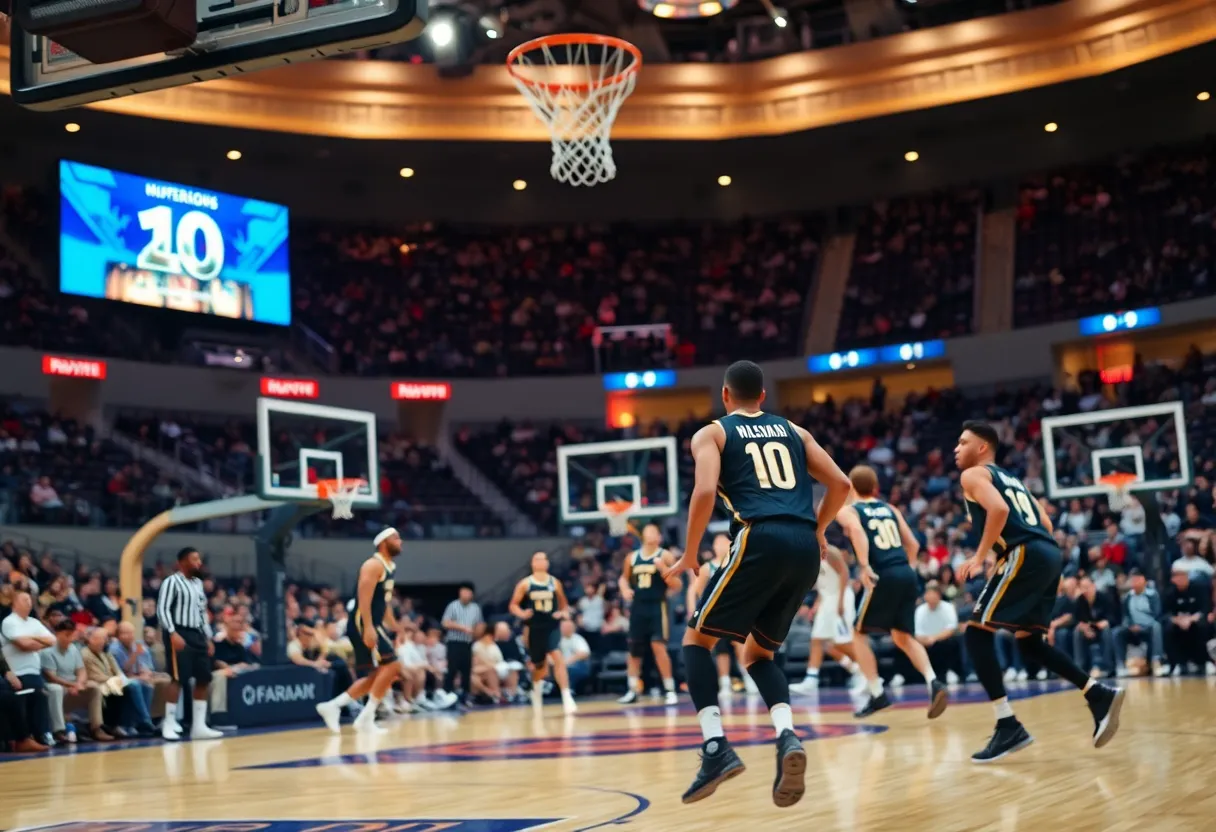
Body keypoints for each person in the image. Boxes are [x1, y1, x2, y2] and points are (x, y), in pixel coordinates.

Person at [662, 360, 852, 808]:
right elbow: (841, 484)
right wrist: (820, 530)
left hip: (759, 536)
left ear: (725, 396)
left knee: (695, 643)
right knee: (758, 653)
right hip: (805, 546)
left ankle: (715, 749)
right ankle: (787, 734)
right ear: (763, 396)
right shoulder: (795, 431)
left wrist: (690, 552)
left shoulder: (712, 432)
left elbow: (705, 491)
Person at [955, 421, 1124, 763]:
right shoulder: (1013, 479)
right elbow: (1046, 523)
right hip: (1047, 553)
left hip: (1024, 552)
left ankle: (1007, 724)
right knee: (1029, 640)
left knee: (976, 631)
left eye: (962, 443)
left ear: (982, 448)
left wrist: (982, 554)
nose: (956, 449)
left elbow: (1000, 511)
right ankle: (1097, 693)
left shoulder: (973, 475)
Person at [839, 464, 948, 719]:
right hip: (905, 573)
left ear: (852, 487)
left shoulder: (850, 510)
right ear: (875, 487)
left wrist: (865, 566)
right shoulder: (890, 509)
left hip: (882, 573)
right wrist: (905, 568)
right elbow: (913, 543)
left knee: (858, 633)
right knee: (903, 636)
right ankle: (934, 681)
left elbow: (856, 532)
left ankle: (877, 694)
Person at [315, 528, 405, 733]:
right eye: (396, 538)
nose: (401, 541)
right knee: (393, 666)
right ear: (383, 542)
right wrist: (369, 627)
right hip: (363, 623)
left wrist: (396, 626)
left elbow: (384, 603)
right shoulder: (373, 565)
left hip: (373, 623)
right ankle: (366, 717)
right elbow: (363, 598)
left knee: (375, 675)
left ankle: (332, 706)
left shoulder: (390, 566)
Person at [156, 547, 223, 741]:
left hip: (197, 634)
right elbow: (163, 609)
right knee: (178, 678)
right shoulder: (171, 582)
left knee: (203, 678)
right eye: (195, 559)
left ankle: (199, 726)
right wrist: (172, 633)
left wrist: (208, 637)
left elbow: (202, 612)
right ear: (183, 562)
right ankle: (168, 723)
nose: (199, 563)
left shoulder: (197, 584)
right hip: (178, 632)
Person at [789, 544, 872, 695]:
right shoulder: (810, 555)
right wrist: (817, 604)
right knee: (817, 640)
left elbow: (844, 573)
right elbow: (823, 585)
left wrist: (840, 602)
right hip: (827, 600)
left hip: (840, 599)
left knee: (842, 642)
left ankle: (868, 674)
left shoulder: (830, 551)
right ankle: (811, 679)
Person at [508, 551, 577, 715]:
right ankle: (536, 690)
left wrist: (563, 613)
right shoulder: (525, 584)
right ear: (532, 563)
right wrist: (522, 614)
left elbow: (564, 605)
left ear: (547, 563)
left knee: (557, 655)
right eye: (537, 559)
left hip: (551, 625)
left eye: (543, 559)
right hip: (534, 627)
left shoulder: (555, 582)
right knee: (540, 666)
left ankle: (567, 696)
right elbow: (513, 605)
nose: (540, 562)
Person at [617, 523, 679, 705]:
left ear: (659, 537)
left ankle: (669, 689)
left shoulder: (665, 555)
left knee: (658, 647)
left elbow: (677, 585)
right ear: (642, 535)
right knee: (634, 650)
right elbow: (623, 578)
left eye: (655, 531)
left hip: (657, 606)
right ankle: (632, 689)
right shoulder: (631, 557)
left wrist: (664, 570)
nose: (651, 534)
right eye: (648, 531)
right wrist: (624, 588)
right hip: (638, 607)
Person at [687, 534, 756, 696]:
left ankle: (748, 679)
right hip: (716, 613)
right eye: (717, 543)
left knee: (740, 645)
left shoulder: (737, 564)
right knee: (721, 649)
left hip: (736, 611)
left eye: (724, 543)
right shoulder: (707, 568)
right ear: (714, 547)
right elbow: (695, 590)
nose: (721, 546)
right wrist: (697, 610)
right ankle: (724, 683)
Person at [441, 582, 483, 706]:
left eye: (467, 592)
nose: (464, 594)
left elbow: (479, 624)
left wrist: (477, 633)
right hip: (454, 641)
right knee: (452, 669)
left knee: (467, 670)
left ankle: (465, 696)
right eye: (462, 592)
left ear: (472, 594)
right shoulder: (453, 606)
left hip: (468, 642)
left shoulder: (476, 608)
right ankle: (447, 694)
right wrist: (462, 627)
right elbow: (445, 623)